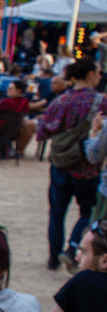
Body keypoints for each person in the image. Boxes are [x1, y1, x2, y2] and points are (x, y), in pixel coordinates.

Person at [37, 59, 107, 271]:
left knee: (57, 213)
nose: (100, 76)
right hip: (87, 168)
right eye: (98, 72)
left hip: (60, 165)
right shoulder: (100, 102)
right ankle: (72, 247)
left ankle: (53, 257)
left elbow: (43, 132)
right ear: (90, 74)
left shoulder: (60, 100)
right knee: (86, 212)